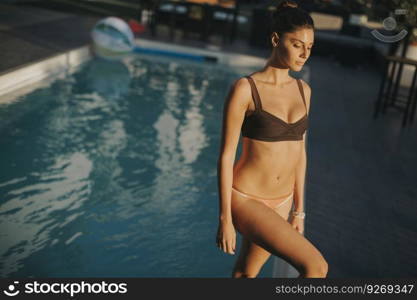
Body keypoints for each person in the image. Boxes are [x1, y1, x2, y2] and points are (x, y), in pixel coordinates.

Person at [215, 0, 328, 278]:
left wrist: (300, 210)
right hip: (246, 198)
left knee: (246, 273)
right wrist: (225, 218)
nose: (304, 54)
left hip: (283, 201)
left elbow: (300, 153)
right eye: (297, 44)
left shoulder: (304, 90)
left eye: (310, 47)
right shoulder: (246, 88)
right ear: (276, 39)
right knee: (316, 268)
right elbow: (226, 155)